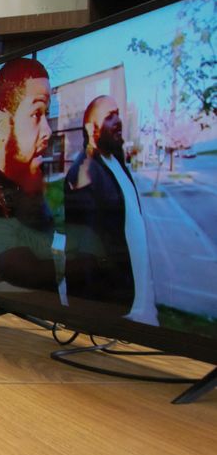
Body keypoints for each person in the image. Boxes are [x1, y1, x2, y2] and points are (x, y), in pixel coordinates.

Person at [63, 95, 158, 324]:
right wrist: (87, 314)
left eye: (117, 114)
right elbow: (84, 249)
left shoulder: (115, 162)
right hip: (111, 308)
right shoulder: (83, 173)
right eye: (109, 116)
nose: (118, 120)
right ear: (90, 128)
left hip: (136, 298)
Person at [0, 57, 59, 292]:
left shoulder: (32, 184)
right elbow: (31, 273)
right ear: (1, 125)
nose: (48, 131)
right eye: (36, 114)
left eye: (47, 114)